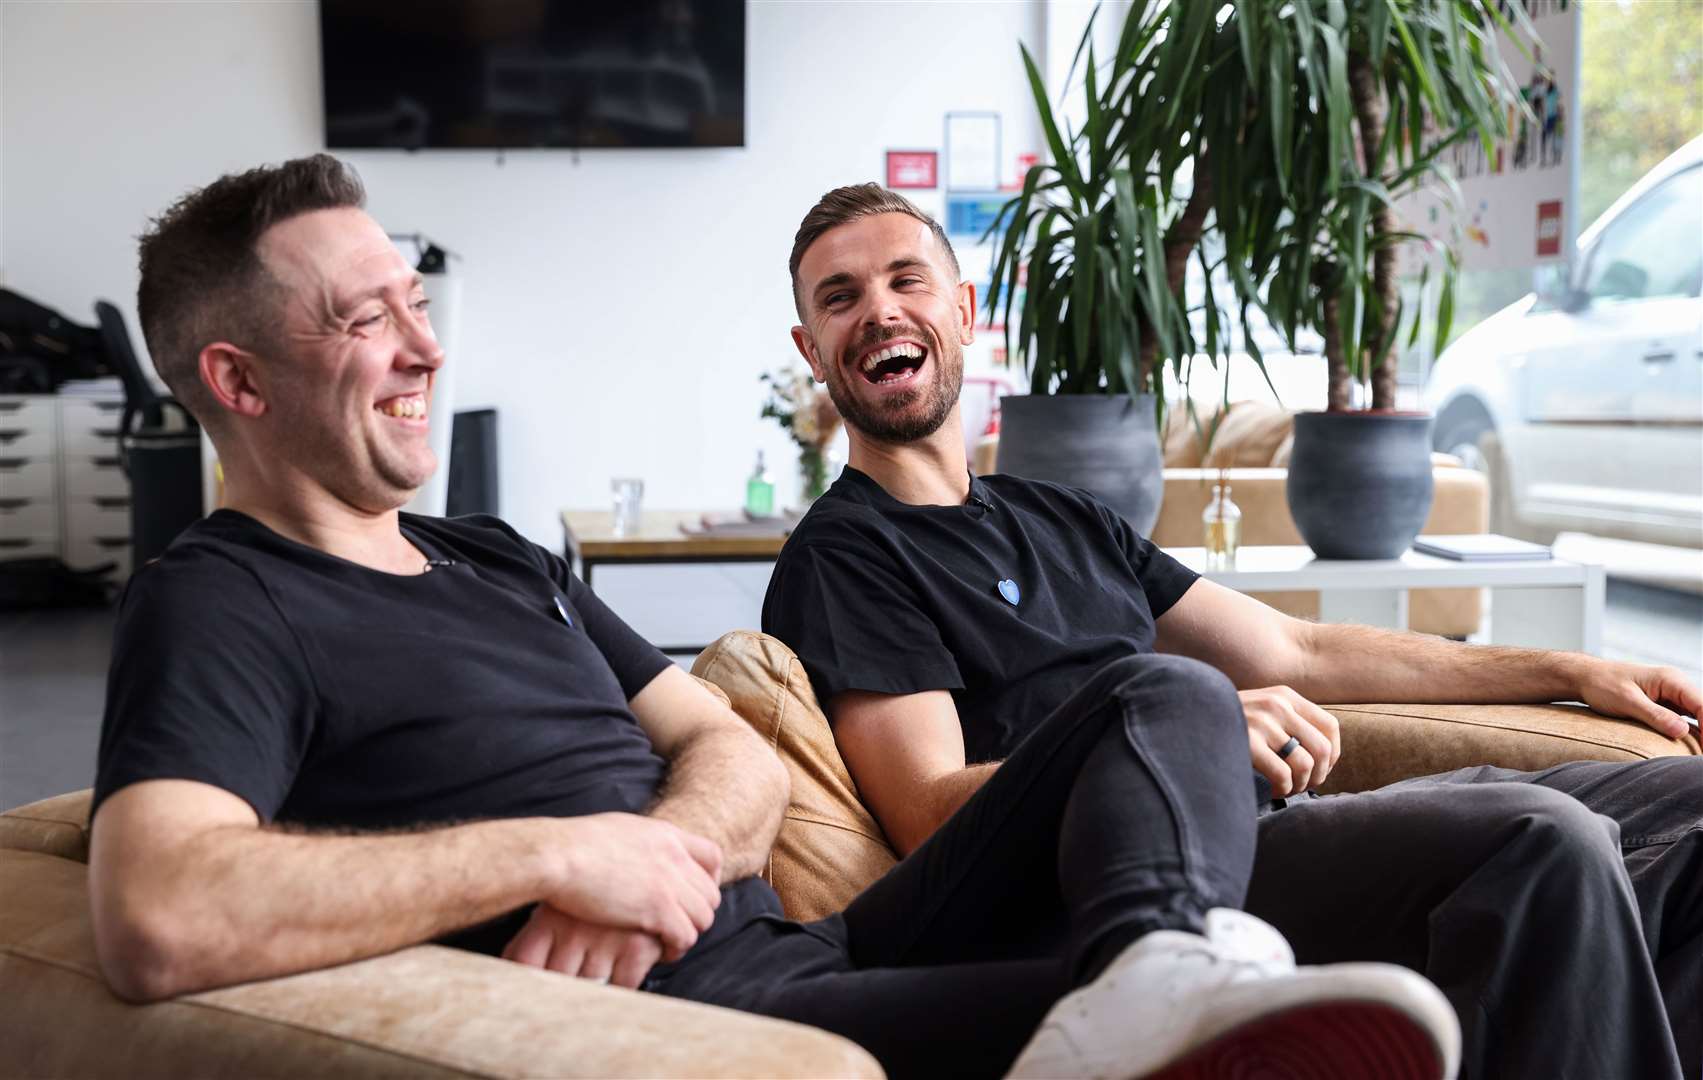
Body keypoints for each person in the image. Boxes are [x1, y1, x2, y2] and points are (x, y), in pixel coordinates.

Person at [90, 155, 1461, 1080]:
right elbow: (157, 906)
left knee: (1162, 693)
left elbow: (731, 747)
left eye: (414, 300)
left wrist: (654, 862)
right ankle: (1160, 978)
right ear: (242, 380)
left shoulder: (498, 556)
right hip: (729, 1013)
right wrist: (564, 857)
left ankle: (1159, 967)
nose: (425, 344)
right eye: (363, 319)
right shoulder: (218, 601)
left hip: (812, 941)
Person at [761, 182, 1703, 1080]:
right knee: (1544, 839)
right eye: (841, 299)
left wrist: (1573, 669)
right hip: (1124, 898)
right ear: (814, 350)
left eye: (904, 279)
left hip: (1269, 829)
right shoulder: (846, 554)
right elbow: (925, 807)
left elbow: (1300, 650)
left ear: (963, 310)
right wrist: (1176, 733)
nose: (879, 310)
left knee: (1689, 809)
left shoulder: (1061, 515)